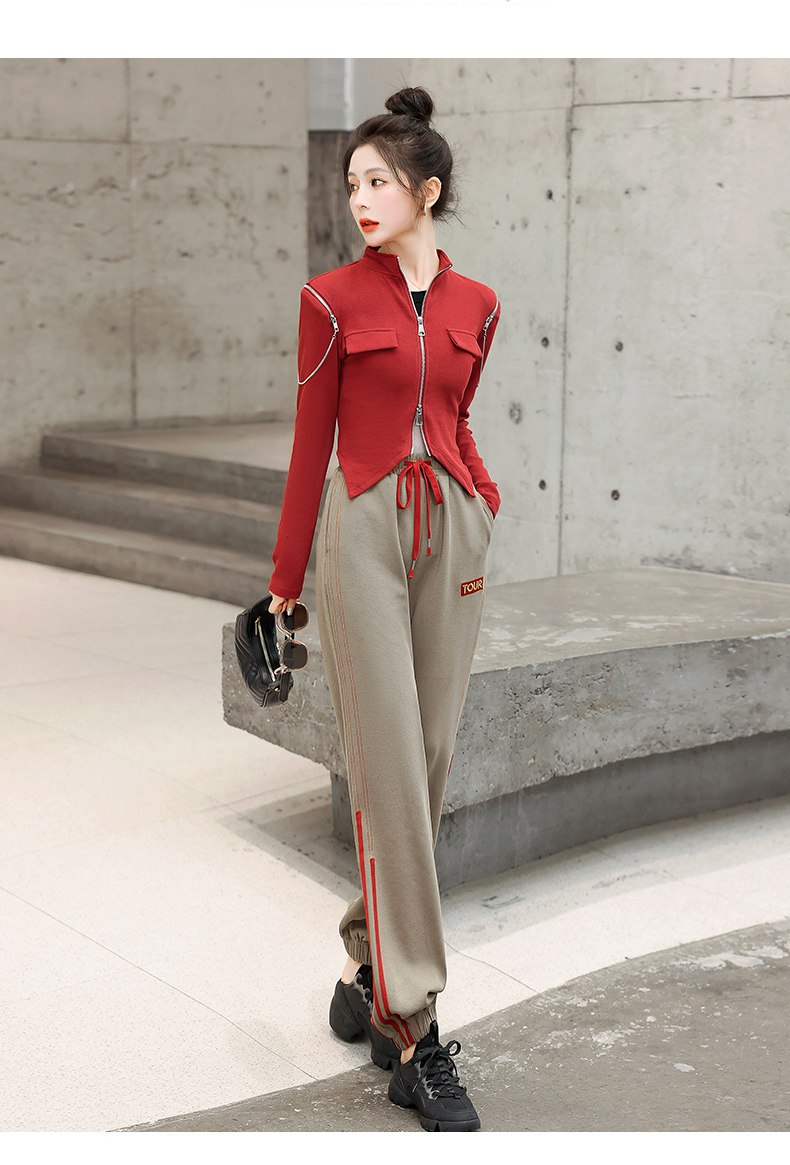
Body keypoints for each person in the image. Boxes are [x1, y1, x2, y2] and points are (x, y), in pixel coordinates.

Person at [268, 86, 501, 1133]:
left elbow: (457, 413)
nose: (359, 198)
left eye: (377, 181)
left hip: (448, 530)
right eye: (351, 182)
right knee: (392, 766)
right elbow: (308, 445)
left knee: (431, 755)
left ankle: (364, 969)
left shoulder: (478, 303)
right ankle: (414, 1025)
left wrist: (481, 499)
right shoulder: (327, 300)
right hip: (360, 531)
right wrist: (284, 582)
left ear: (427, 191)